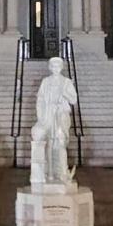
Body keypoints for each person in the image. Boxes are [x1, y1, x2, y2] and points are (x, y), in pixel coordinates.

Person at [30, 56, 78, 187]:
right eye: (53, 66)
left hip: (61, 115)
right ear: (50, 68)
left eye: (58, 66)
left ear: (61, 67)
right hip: (48, 115)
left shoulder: (66, 82)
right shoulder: (46, 81)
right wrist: (41, 117)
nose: (55, 68)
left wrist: (65, 94)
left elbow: (73, 100)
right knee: (49, 144)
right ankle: (49, 173)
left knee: (61, 143)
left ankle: (62, 173)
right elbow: (40, 99)